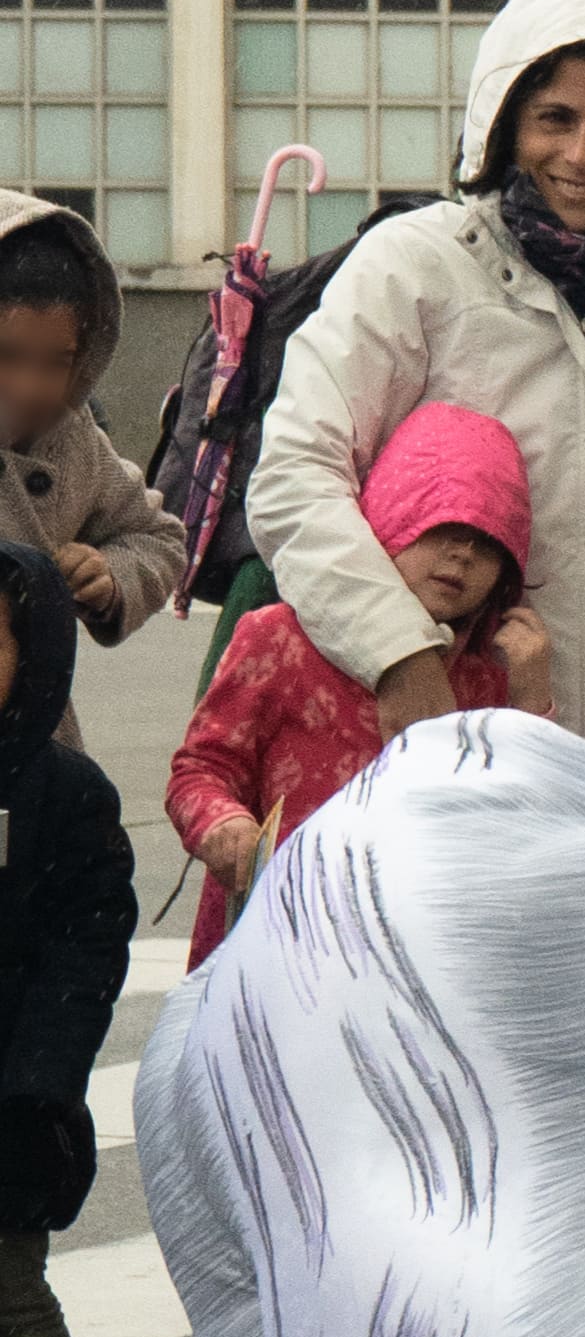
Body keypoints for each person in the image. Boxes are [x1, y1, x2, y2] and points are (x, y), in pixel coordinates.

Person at [250, 0, 585, 795]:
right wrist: (398, 652)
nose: (583, 154)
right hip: (444, 753)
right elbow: (293, 478)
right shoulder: (416, 264)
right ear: (503, 123)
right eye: (556, 118)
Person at [166, 404, 548, 960]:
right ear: (392, 519)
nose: (463, 554)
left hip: (417, 953)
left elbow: (522, 827)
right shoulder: (281, 640)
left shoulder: (490, 671)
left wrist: (532, 702)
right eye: (442, 527)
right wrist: (227, 830)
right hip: (276, 941)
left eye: (489, 542)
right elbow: (200, 770)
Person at [0, 512, 145, 1337]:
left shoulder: (65, 795)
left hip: (10, 1098)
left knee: (13, 1288)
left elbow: (87, 943)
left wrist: (42, 1077)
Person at [0, 199, 187, 735]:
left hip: (32, 745)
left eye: (55, 362)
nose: (31, 386)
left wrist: (109, 575)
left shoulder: (72, 440)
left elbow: (157, 538)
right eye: (8, 354)